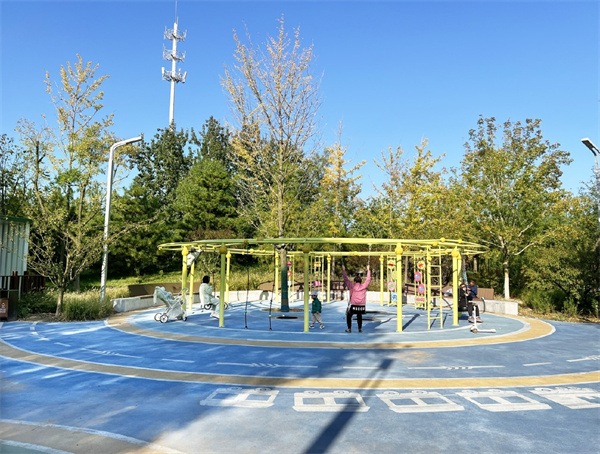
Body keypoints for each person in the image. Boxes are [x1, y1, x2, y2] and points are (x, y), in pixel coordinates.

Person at [342, 264, 371, 333]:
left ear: (354, 282)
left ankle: (349, 328)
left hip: (354, 305)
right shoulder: (364, 286)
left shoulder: (352, 286)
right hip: (362, 306)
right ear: (361, 281)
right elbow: (368, 280)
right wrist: (368, 270)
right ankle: (360, 328)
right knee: (359, 315)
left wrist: (344, 270)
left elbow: (346, 279)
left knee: (349, 315)